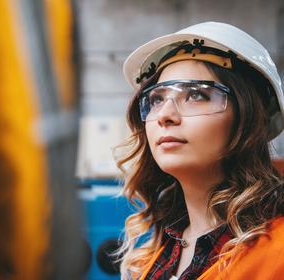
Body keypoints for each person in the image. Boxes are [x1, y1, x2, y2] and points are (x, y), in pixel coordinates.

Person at [116, 21, 284, 280]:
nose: (165, 115)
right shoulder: (152, 255)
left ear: (249, 118)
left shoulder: (277, 252)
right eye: (156, 99)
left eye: (196, 95)